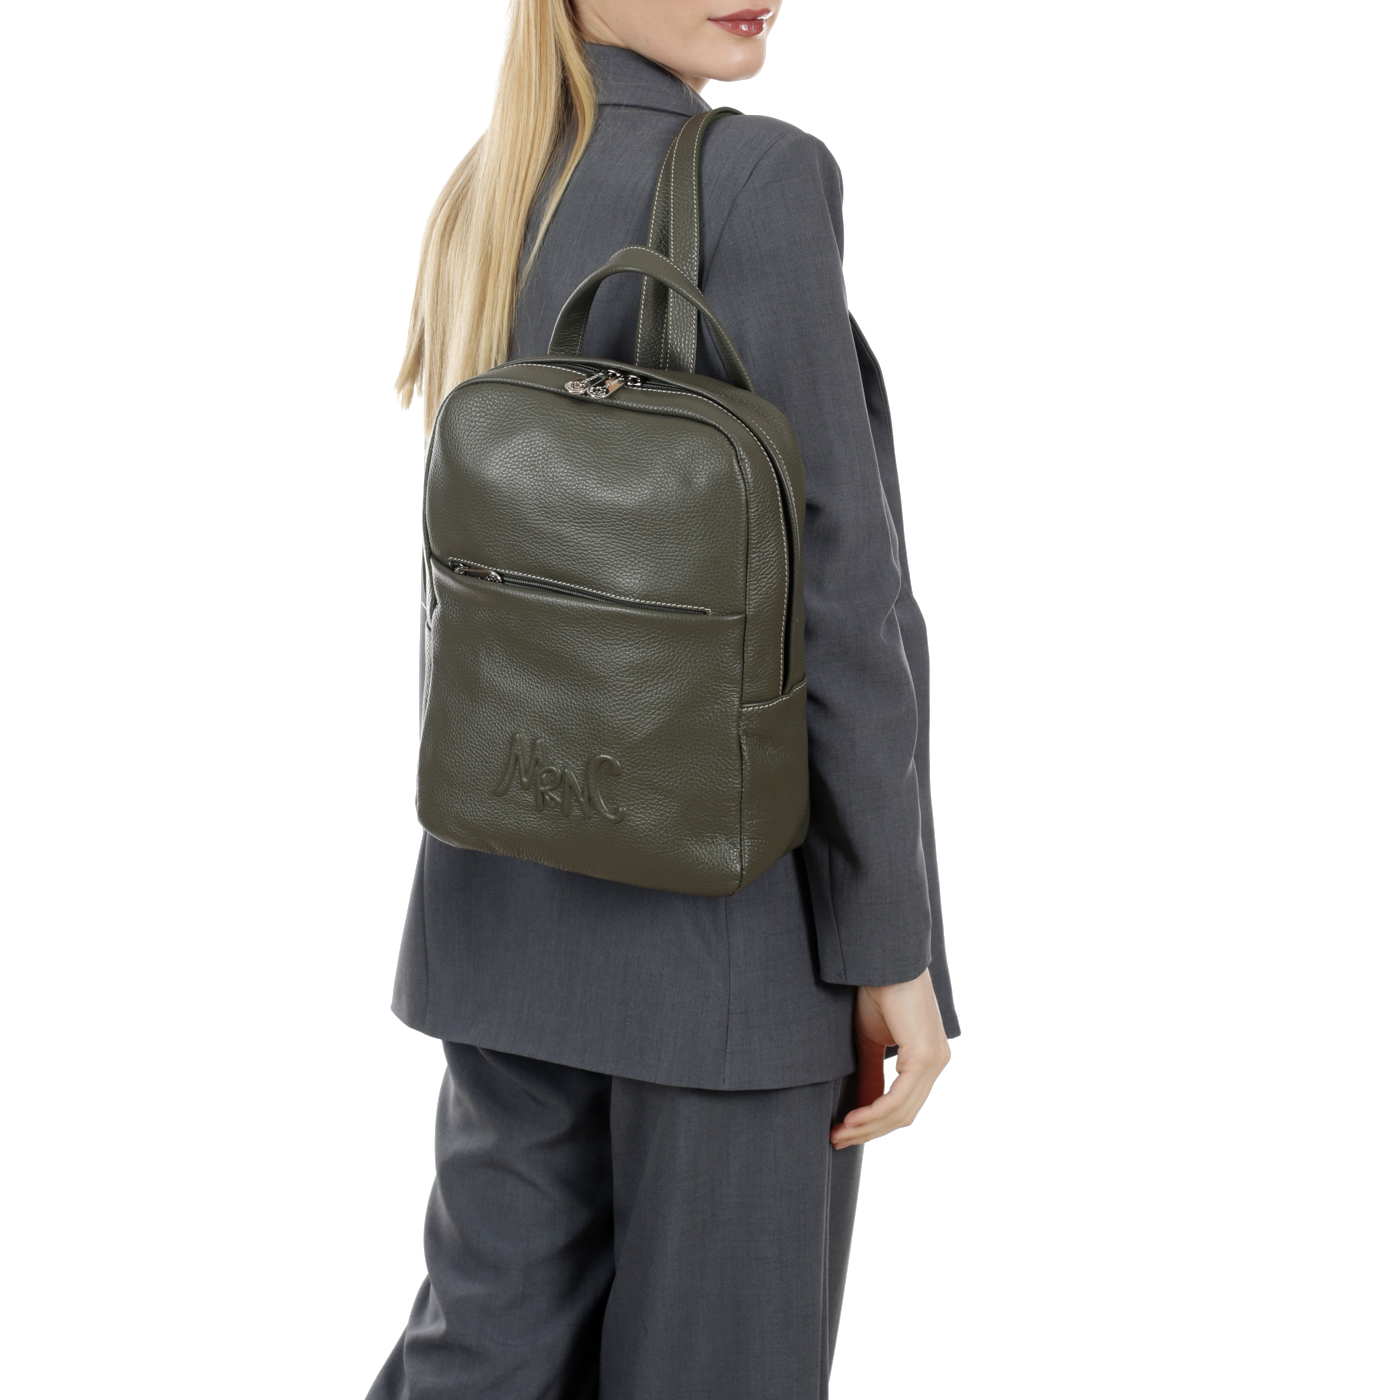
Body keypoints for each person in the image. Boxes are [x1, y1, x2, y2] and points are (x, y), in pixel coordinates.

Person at [370, 2, 959, 1395]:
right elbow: (840, 594)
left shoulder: (496, 175)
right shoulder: (759, 175)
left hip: (503, 916)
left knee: (478, 1366)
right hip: (731, 950)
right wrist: (888, 945)